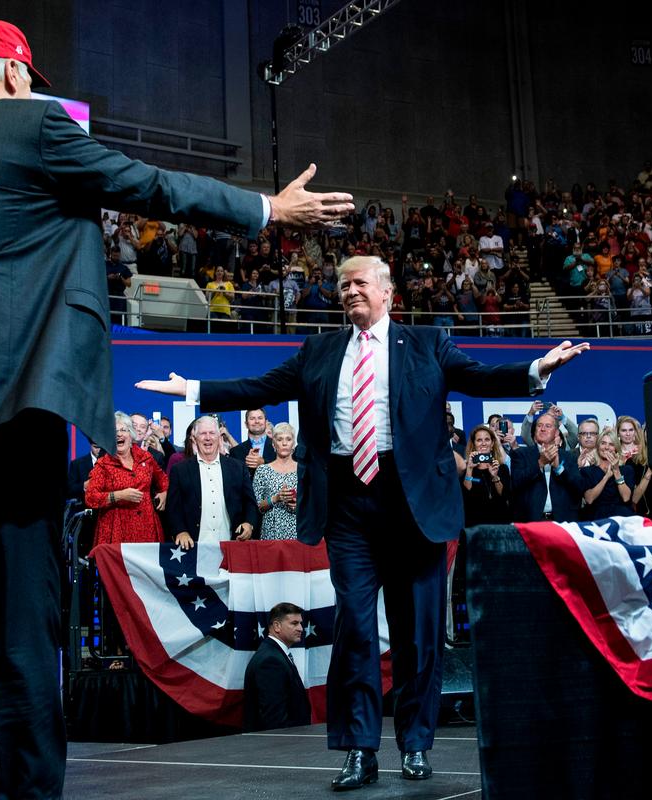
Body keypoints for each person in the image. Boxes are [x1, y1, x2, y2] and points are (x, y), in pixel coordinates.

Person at [0, 18, 353, 800]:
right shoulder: (36, 124)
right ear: (13, 76)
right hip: (8, 424)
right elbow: (150, 185)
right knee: (21, 646)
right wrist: (266, 210)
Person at [135, 255, 587, 789]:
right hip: (348, 503)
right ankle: (360, 749)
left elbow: (479, 375)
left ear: (387, 291)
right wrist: (191, 390)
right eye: (342, 284)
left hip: (412, 503)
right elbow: (258, 388)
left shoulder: (427, 344)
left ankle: (416, 743)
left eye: (359, 282)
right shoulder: (320, 350)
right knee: (354, 629)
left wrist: (537, 369)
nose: (349, 290)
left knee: (418, 634)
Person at [166, 415, 258, 548]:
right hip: (193, 546)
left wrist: (249, 523)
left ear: (219, 438)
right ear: (194, 438)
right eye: (203, 433)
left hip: (232, 544)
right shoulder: (180, 470)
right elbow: (173, 507)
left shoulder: (238, 467)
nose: (208, 437)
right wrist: (180, 531)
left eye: (212, 433)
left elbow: (250, 502)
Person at [84, 413, 168, 548]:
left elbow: (163, 480)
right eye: (114, 431)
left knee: (147, 568)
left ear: (131, 435)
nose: (119, 434)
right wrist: (118, 495)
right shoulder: (103, 464)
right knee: (119, 569)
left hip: (147, 528)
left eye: (123, 430)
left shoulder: (146, 458)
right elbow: (91, 497)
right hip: (116, 530)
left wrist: (164, 492)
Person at [243, 602, 311, 732]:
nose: (301, 628)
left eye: (300, 623)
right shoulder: (270, 661)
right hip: (280, 745)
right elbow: (274, 719)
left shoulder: (274, 654)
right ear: (277, 626)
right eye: (294, 623)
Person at [508, 412, 583, 523]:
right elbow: (516, 483)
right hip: (531, 521)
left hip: (563, 522)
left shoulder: (569, 456)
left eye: (548, 426)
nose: (543, 429)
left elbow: (578, 487)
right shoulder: (521, 454)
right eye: (539, 425)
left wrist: (559, 469)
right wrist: (540, 463)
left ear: (556, 432)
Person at [454, 425, 511, 526]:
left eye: (487, 439)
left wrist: (494, 476)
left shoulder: (501, 468)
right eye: (479, 440)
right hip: (474, 525)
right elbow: (466, 494)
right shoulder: (465, 467)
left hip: (499, 523)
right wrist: (470, 469)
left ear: (492, 443)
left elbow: (503, 495)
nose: (483, 443)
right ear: (474, 444)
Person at [254, 422, 299, 540]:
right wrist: (276, 498)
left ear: (293, 444)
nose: (284, 443)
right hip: (270, 535)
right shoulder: (262, 470)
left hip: (298, 534)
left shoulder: (303, 471)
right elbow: (257, 506)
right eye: (280, 439)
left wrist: (298, 504)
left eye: (288, 439)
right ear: (274, 444)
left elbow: (313, 505)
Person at [579, 427, 636, 519]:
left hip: (621, 518)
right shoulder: (587, 471)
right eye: (603, 443)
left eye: (611, 444)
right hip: (596, 518)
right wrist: (606, 477)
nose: (606, 447)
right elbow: (589, 499)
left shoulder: (627, 470)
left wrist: (616, 471)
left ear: (616, 448)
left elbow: (626, 497)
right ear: (598, 447)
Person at [229, 408, 276, 472]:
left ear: (266, 422)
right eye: (252, 418)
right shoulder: (235, 452)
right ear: (246, 424)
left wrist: (263, 463)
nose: (256, 421)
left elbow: (284, 469)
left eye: (260, 418)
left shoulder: (278, 446)